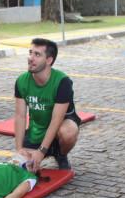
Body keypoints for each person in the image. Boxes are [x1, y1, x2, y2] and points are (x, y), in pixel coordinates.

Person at [14, 38, 79, 171]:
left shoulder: (62, 82)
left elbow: (56, 120)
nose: (31, 58)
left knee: (68, 131)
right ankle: (45, 150)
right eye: (30, 52)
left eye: (37, 55)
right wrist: (19, 149)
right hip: (37, 130)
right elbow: (20, 116)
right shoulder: (21, 81)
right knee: (23, 166)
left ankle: (61, 155)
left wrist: (42, 151)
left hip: (60, 127)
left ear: (49, 60)